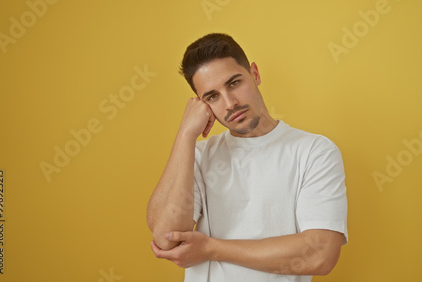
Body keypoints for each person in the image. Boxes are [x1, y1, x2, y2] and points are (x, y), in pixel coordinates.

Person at [146, 33, 348, 282]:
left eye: (234, 83)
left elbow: (320, 254)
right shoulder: (197, 156)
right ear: (202, 104)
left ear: (255, 74)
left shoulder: (314, 151)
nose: (230, 103)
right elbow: (167, 238)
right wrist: (185, 135)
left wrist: (211, 248)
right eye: (212, 96)